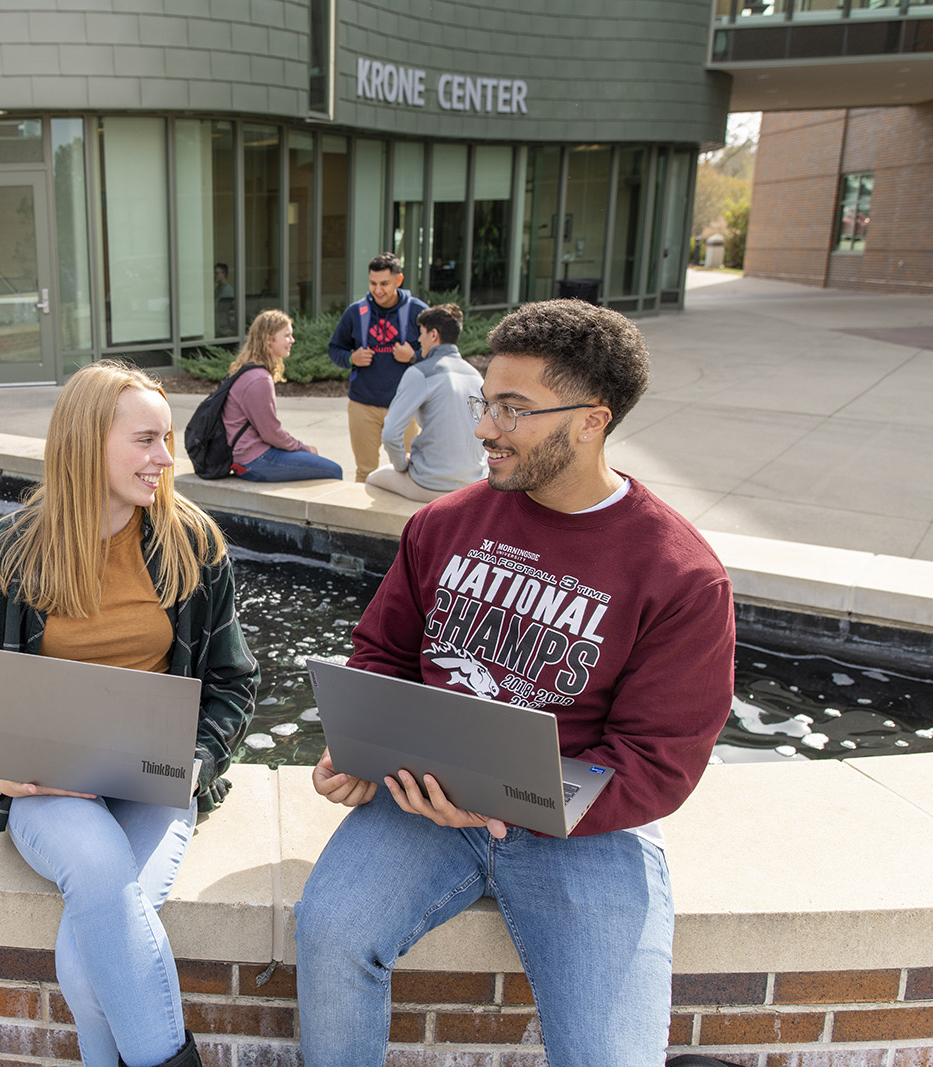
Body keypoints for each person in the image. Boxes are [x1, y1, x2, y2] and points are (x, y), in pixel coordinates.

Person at [294, 300, 736, 1067]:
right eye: (484, 401)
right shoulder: (442, 523)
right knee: (329, 932)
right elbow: (381, 652)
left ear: (592, 420)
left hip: (580, 831)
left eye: (513, 408)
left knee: (609, 1056)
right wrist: (364, 752)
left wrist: (517, 798)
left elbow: (659, 761)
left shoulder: (682, 575)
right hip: (423, 802)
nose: (485, 427)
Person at [0, 361, 259, 1067]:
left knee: (88, 962)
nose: (166, 458)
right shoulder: (8, 557)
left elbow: (234, 683)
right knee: (101, 876)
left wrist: (193, 761)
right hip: (53, 791)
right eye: (146, 439)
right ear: (87, 442)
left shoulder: (193, 546)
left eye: (166, 438)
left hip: (155, 782)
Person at [365, 303, 487, 502]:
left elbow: (390, 433)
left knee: (371, 479)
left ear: (433, 335)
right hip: (473, 484)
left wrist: (401, 466)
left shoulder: (419, 373)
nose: (419, 339)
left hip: (429, 485)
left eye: (421, 333)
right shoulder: (476, 376)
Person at [326, 252, 430, 483]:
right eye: (373, 283)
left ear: (398, 280)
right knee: (365, 471)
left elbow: (436, 353)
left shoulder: (418, 311)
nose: (378, 289)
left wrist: (413, 356)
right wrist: (352, 358)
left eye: (384, 283)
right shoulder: (356, 312)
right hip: (363, 404)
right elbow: (334, 349)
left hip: (405, 406)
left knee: (410, 469)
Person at [223, 310, 344, 483]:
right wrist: (305, 449)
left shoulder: (248, 369)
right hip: (254, 460)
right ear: (269, 339)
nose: (292, 340)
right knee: (333, 470)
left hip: (247, 455)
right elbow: (271, 433)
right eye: (287, 336)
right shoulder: (259, 379)